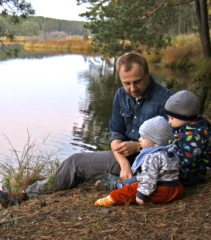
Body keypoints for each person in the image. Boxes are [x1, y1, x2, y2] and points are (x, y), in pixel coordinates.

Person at [0, 52, 172, 208]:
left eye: (137, 82)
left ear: (147, 74)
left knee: (79, 164)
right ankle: (26, 195)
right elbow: (115, 135)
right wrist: (124, 164)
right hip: (123, 157)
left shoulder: (165, 99)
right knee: (76, 161)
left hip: (151, 162)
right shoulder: (121, 95)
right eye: (127, 83)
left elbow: (170, 145)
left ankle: (115, 182)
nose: (132, 89)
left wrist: (139, 147)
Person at [95, 116, 183, 207]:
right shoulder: (170, 151)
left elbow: (149, 178)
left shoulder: (152, 157)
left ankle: (112, 198)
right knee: (134, 179)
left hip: (162, 190)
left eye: (143, 138)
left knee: (131, 190)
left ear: (156, 143)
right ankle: (118, 185)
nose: (139, 139)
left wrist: (142, 193)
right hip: (175, 188)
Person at [164, 90, 211, 187]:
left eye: (172, 118)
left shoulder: (192, 136)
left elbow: (186, 161)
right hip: (183, 169)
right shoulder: (184, 128)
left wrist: (166, 169)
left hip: (190, 174)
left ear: (184, 117)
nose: (169, 122)